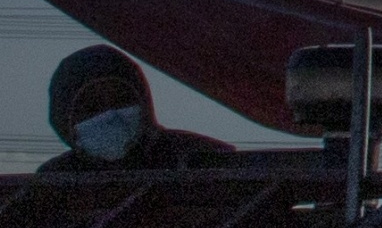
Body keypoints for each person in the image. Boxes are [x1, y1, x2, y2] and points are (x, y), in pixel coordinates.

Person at [44, 43, 242, 168]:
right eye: (92, 108)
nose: (111, 114)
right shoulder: (54, 183)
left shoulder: (200, 159)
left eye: (121, 100)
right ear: (65, 121)